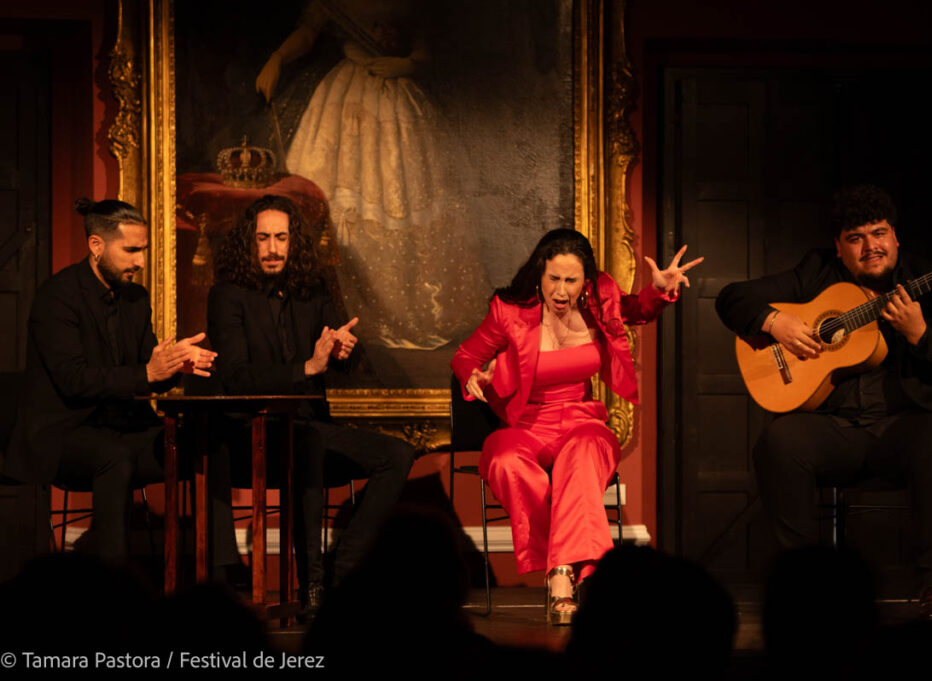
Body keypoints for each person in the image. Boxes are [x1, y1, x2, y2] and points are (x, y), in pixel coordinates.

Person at [715, 184, 932, 620]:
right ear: (839, 247)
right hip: (835, 429)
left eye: (879, 233)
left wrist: (920, 335)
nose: (871, 246)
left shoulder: (931, 284)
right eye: (856, 237)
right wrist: (773, 321)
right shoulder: (816, 273)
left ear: (896, 237)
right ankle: (804, 586)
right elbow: (731, 298)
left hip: (902, 427)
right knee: (779, 442)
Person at [451, 228, 702, 624]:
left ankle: (562, 577)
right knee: (503, 460)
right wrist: (472, 376)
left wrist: (658, 291)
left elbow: (636, 310)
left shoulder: (599, 299)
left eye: (571, 280)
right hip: (527, 423)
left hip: (583, 421)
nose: (562, 290)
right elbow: (466, 355)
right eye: (554, 278)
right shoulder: (509, 312)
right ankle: (563, 558)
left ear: (586, 281)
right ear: (539, 274)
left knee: (582, 456)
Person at [206, 194, 415, 615]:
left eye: (280, 238)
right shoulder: (227, 295)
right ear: (249, 242)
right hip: (255, 433)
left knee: (397, 453)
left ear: (293, 241)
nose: (272, 248)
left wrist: (343, 352)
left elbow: (344, 363)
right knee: (307, 445)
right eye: (262, 238)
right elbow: (236, 376)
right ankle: (314, 585)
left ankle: (345, 562)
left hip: (310, 425)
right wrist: (308, 365)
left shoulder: (311, 290)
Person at [256, 0, 486, 350]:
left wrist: (408, 63)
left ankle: (400, 310)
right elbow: (309, 32)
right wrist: (277, 57)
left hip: (398, 96)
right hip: (345, 98)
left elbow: (428, 46)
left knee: (403, 193)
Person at [2, 198, 215, 560]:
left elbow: (147, 371)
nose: (141, 262)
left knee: (201, 443)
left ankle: (202, 580)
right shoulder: (58, 296)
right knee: (113, 458)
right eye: (131, 250)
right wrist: (147, 372)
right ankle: (110, 593)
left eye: (144, 250)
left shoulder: (135, 297)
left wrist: (173, 366)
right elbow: (74, 380)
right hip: (64, 431)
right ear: (96, 246)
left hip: (123, 426)